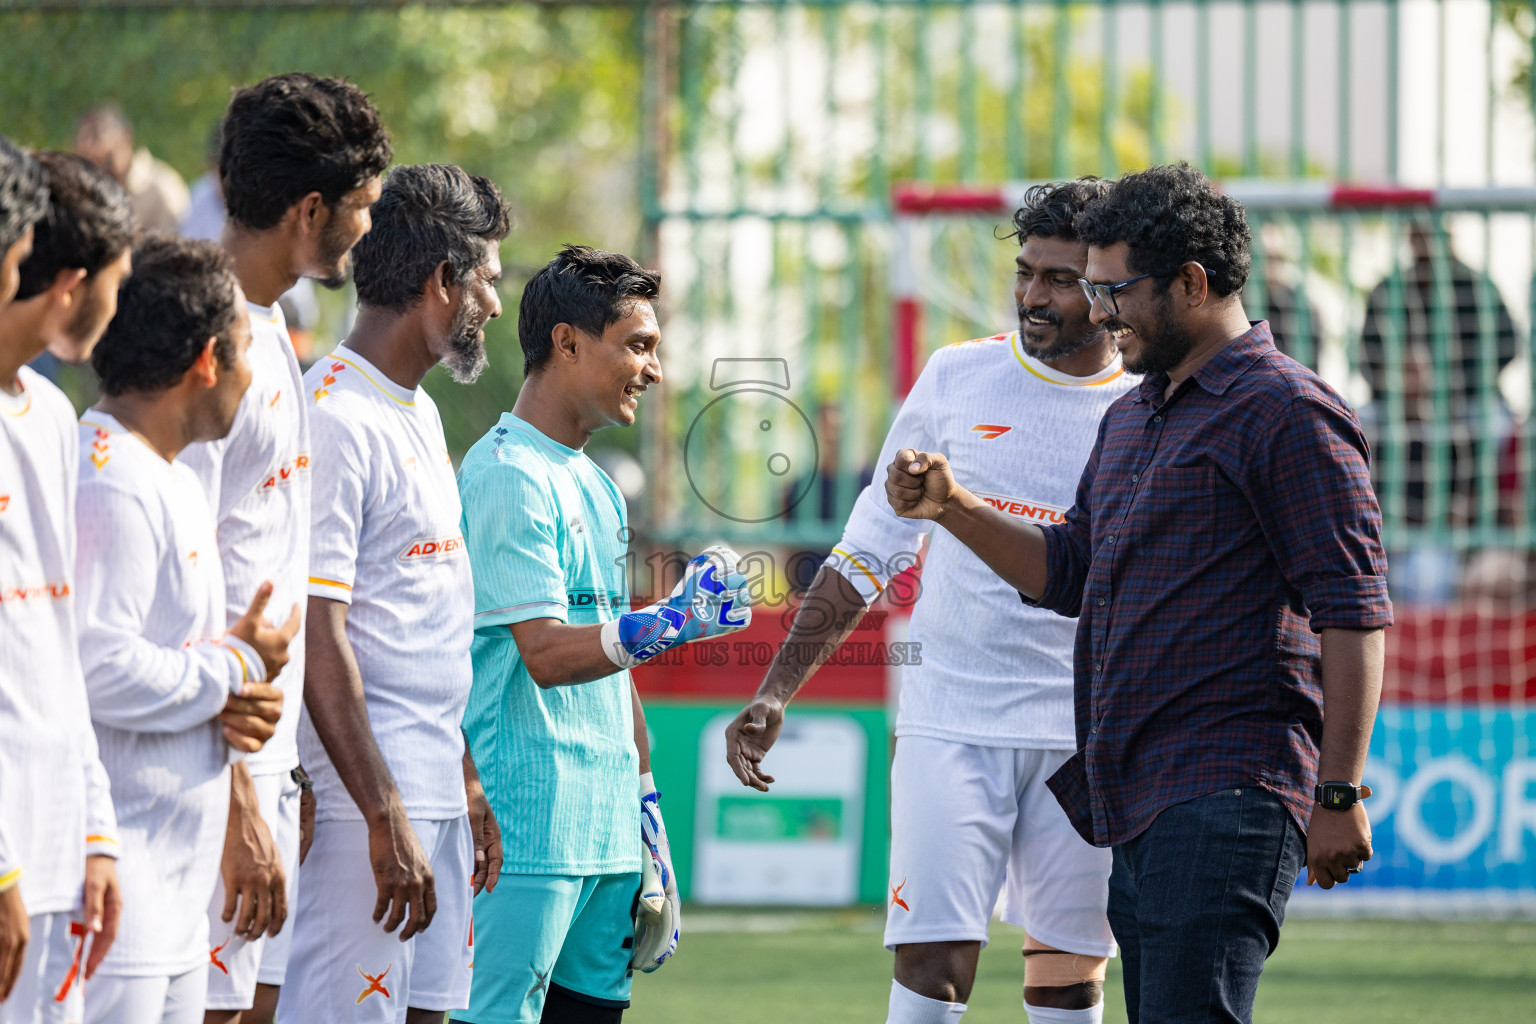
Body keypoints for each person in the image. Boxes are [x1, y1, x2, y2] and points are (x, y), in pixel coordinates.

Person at [883, 164, 1391, 1024]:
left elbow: (1353, 610)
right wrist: (954, 508)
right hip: (1136, 794)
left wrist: (1339, 792)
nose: (1101, 309)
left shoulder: (1288, 410)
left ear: (1191, 284)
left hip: (1230, 790)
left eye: (1114, 289)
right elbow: (1070, 570)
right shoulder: (1135, 415)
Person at [726, 180, 1135, 1024]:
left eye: (1058, 279)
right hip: (952, 721)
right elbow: (868, 549)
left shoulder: (1147, 405)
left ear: (1104, 285)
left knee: (1068, 984)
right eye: (1025, 272)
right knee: (932, 970)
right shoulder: (956, 378)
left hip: (1087, 734)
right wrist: (774, 689)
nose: (1031, 294)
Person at [453, 245, 751, 1024]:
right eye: (639, 345)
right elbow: (548, 655)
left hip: (608, 832)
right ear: (568, 342)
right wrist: (676, 619)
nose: (652, 370)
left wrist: (646, 809)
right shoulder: (507, 474)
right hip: (526, 830)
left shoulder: (594, 483)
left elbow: (612, 668)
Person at [177, 73, 390, 1024]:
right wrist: (234, 807)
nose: (367, 232)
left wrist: (284, 771)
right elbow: (173, 590)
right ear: (310, 211)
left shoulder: (271, 330)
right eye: (362, 209)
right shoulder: (200, 342)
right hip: (197, 778)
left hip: (260, 766)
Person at [274, 163, 509, 1024]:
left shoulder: (415, 411)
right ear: (440, 281)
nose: (492, 303)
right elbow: (316, 630)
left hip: (432, 797)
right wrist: (381, 813)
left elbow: (422, 629)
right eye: (486, 279)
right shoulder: (334, 417)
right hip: (358, 813)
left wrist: (467, 784)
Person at [74, 236, 297, 1024]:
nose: (252, 375)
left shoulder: (163, 473)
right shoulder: (112, 481)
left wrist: (228, 700)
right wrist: (235, 667)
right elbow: (98, 668)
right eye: (244, 353)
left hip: (172, 894)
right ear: (208, 360)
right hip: (113, 899)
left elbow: (169, 664)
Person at [0, 146, 132, 1024]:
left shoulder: (51, 418)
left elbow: (58, 647)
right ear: (70, 283)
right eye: (117, 283)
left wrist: (94, 829)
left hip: (55, 848)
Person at [1358, 223, 1518, 603]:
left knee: (1497, 422)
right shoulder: (1389, 289)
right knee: (1356, 421)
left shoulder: (1476, 286)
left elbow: (1509, 345)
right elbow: (1367, 356)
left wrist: (1455, 387)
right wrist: (1400, 389)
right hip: (1397, 404)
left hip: (1466, 402)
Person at [73, 107, 189, 237]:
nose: (94, 149)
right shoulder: (84, 193)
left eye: (97, 136)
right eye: (84, 138)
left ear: (125, 135)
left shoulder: (161, 188)